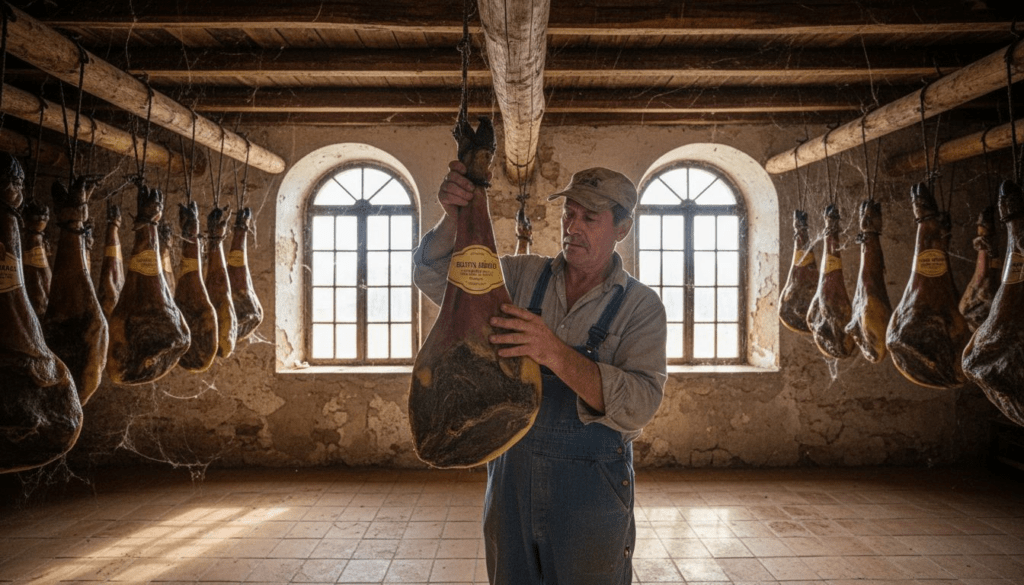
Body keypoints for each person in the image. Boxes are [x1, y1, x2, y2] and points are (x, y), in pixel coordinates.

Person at [413, 160, 668, 585]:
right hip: (511, 480)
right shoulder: (519, 276)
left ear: (622, 228)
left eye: (590, 218)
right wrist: (452, 218)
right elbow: (434, 274)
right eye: (570, 213)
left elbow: (640, 404)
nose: (573, 227)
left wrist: (554, 353)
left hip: (590, 488)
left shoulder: (641, 307)